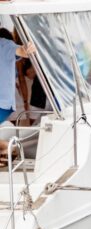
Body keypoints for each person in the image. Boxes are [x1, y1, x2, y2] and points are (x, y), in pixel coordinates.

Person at [0, 29, 35, 159]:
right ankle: (7, 149)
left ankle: (8, 149)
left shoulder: (5, 45)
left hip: (4, 102)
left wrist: (27, 48)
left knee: (12, 127)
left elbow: (20, 51)